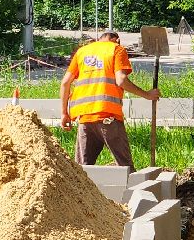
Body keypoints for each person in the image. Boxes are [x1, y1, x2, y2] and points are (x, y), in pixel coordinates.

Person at [60, 30, 159, 169]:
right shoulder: (117, 49)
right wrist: (147, 95)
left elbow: (65, 83)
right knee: (125, 169)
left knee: (81, 173)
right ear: (116, 39)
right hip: (109, 117)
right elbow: (121, 80)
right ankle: (131, 191)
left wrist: (64, 113)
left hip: (85, 118)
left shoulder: (82, 52)